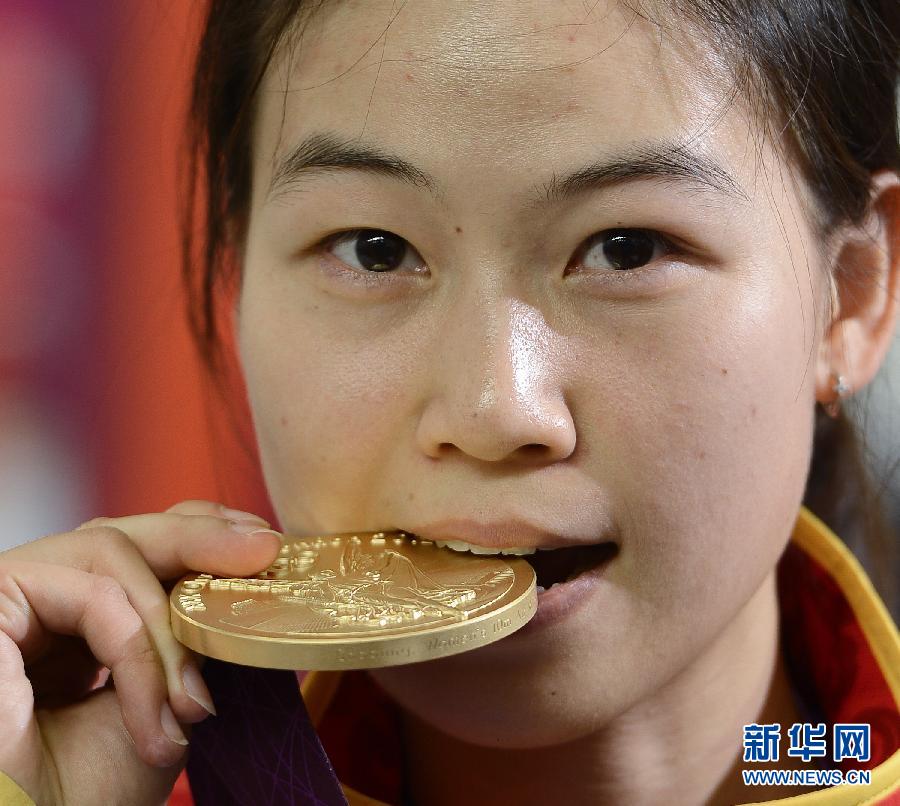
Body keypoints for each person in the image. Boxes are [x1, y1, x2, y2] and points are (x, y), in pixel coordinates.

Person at [1, 1, 899, 803]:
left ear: (851, 297)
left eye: (626, 248)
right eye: (375, 250)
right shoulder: (65, 776)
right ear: (237, 285)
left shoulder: (838, 758)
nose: (493, 411)